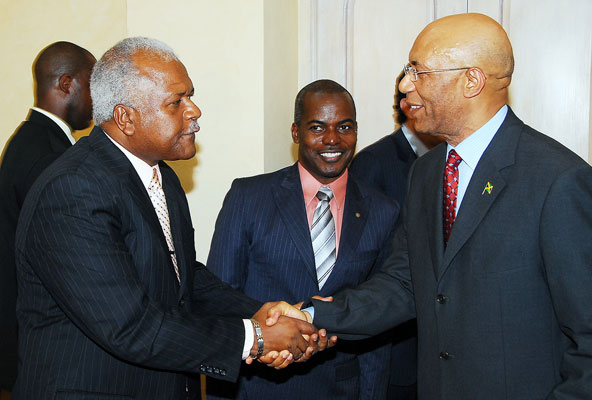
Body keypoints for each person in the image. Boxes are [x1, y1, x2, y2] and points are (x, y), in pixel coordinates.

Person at [270, 13, 592, 399]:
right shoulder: (427, 172)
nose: (405, 85)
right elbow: (404, 283)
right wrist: (311, 315)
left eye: (418, 71)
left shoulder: (559, 181)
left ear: (471, 81)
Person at [12, 37, 324, 400]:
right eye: (176, 102)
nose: (195, 111)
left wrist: (258, 310)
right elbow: (129, 327)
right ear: (126, 118)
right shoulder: (72, 190)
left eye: (190, 95)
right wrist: (253, 338)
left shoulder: (162, 176)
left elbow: (183, 278)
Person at [205, 79, 399, 399]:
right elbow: (219, 301)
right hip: (259, 386)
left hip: (342, 389)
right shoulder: (249, 197)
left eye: (345, 126)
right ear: (296, 133)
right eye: (317, 127)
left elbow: (380, 321)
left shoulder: (383, 211)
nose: (333, 139)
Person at [0, 41, 96, 395]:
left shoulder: (35, 141)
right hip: (41, 345)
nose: (97, 98)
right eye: (92, 84)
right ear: (67, 83)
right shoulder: (46, 156)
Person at [348, 73, 442, 400]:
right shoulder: (373, 163)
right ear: (407, 104)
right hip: (395, 343)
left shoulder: (447, 159)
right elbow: (362, 261)